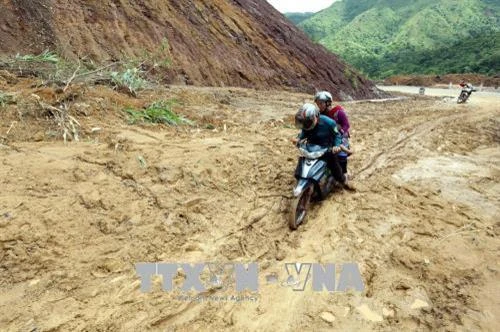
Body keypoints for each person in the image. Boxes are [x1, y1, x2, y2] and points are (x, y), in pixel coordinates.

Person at [293, 103, 354, 191]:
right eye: (305, 123)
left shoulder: (329, 122)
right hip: (312, 146)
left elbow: (337, 135)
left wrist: (336, 146)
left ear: (316, 117)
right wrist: (298, 139)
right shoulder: (307, 123)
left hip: (327, 147)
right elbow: (304, 132)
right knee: (303, 158)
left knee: (333, 163)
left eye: (307, 122)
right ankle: (301, 177)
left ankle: (343, 180)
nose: (306, 124)